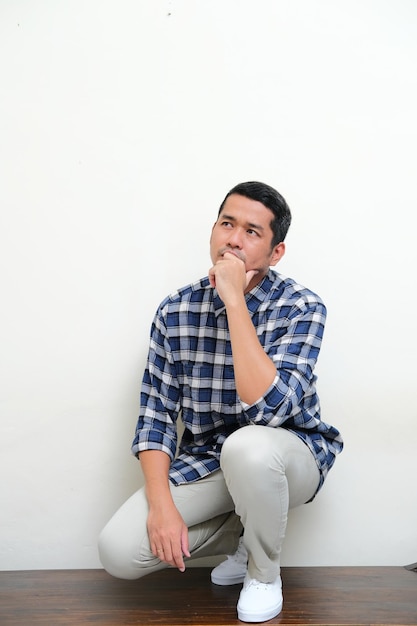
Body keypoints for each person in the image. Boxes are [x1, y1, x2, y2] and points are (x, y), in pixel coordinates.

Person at [98, 181, 343, 623]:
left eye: (251, 232)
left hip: (289, 453)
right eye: (227, 224)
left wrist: (235, 301)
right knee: (119, 551)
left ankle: (263, 573)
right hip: (209, 460)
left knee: (248, 445)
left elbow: (267, 410)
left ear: (275, 253)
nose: (233, 239)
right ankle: (243, 533)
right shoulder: (175, 310)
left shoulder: (303, 307)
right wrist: (161, 506)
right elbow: (155, 416)